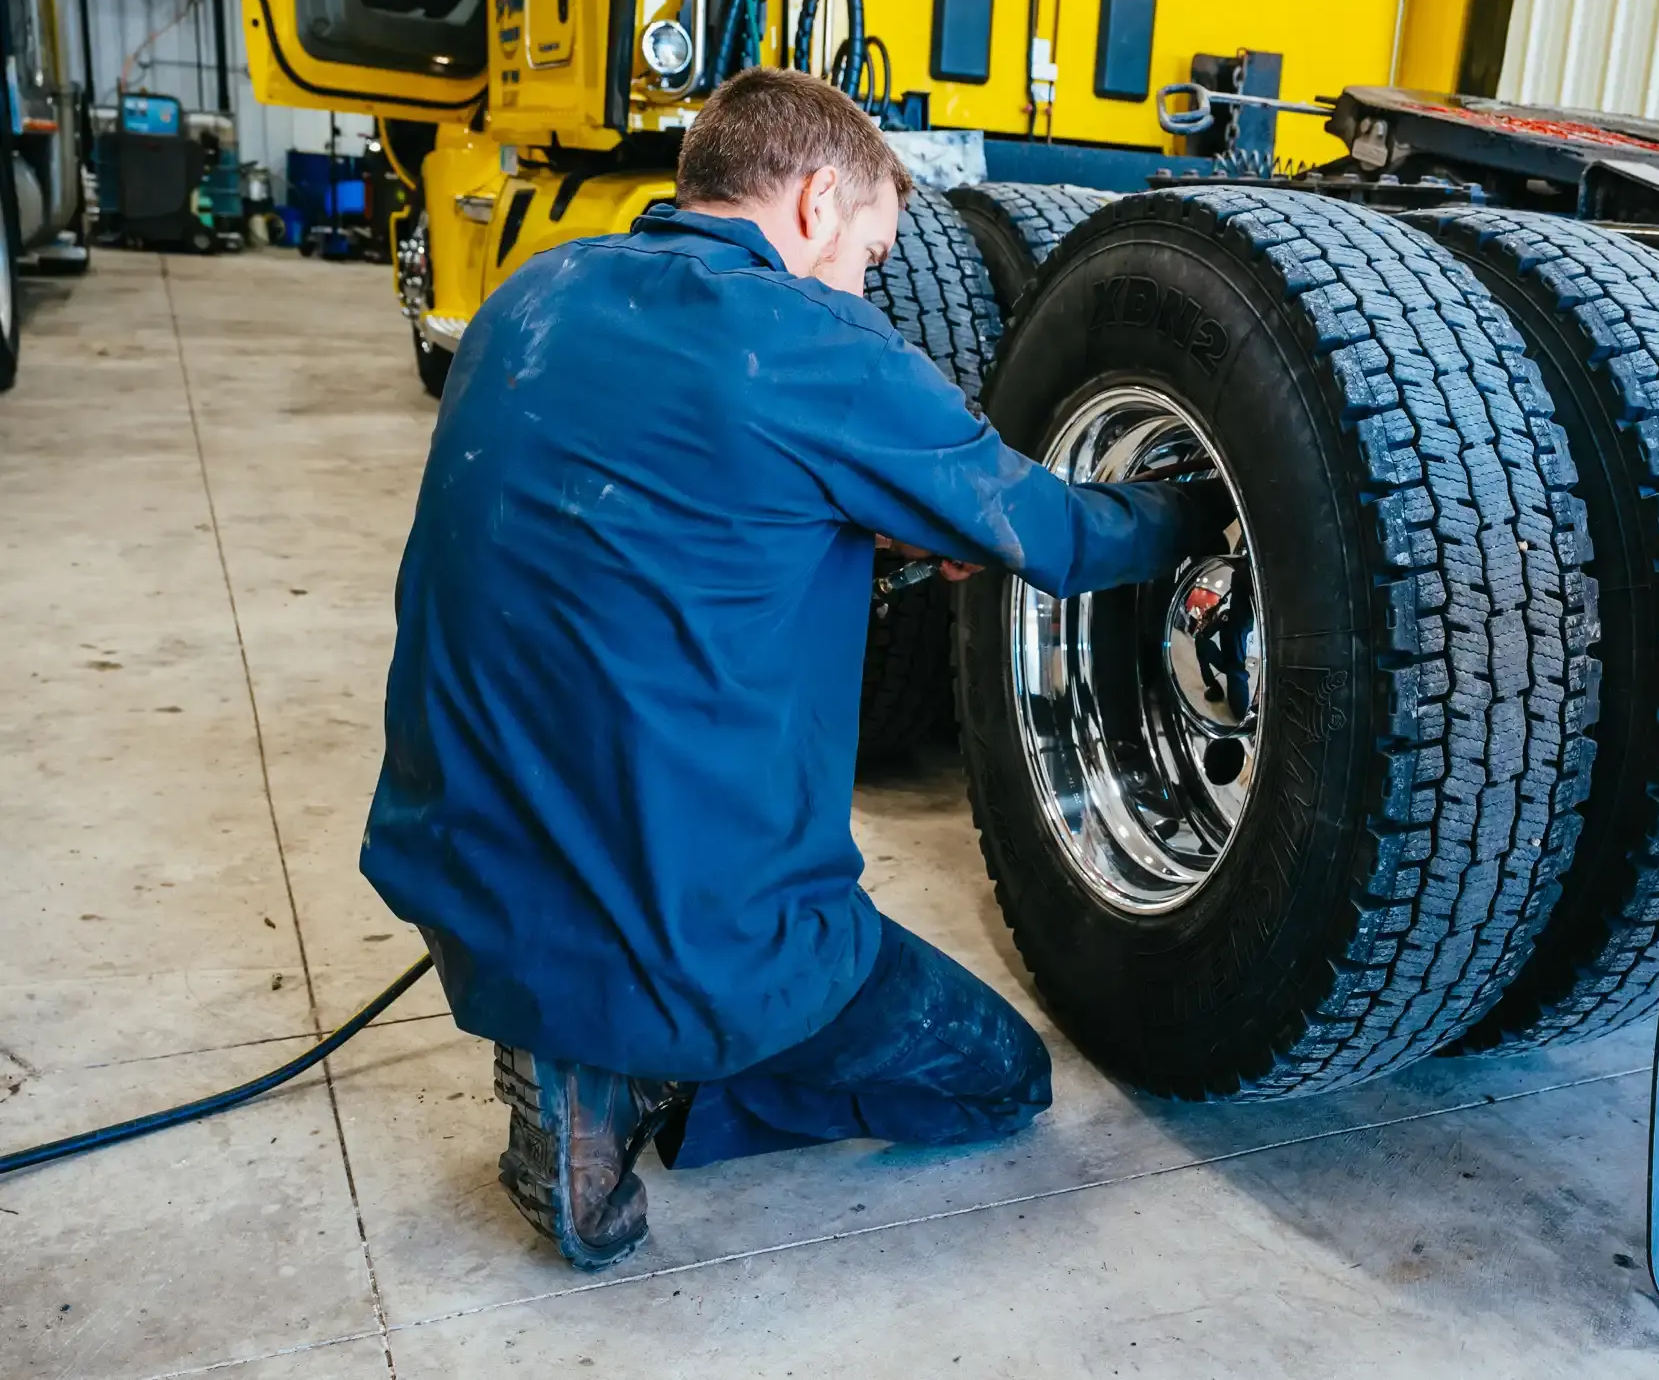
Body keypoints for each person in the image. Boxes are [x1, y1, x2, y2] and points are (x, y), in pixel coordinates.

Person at [361, 68, 1226, 1270]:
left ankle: (584, 1047)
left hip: (461, 870)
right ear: (817, 201)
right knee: (998, 1079)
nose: (870, 280)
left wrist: (851, 520)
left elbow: (656, 511)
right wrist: (1200, 512)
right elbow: (1062, 533)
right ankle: (646, 1075)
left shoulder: (538, 291)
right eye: (871, 251)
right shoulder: (812, 342)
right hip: (700, 922)